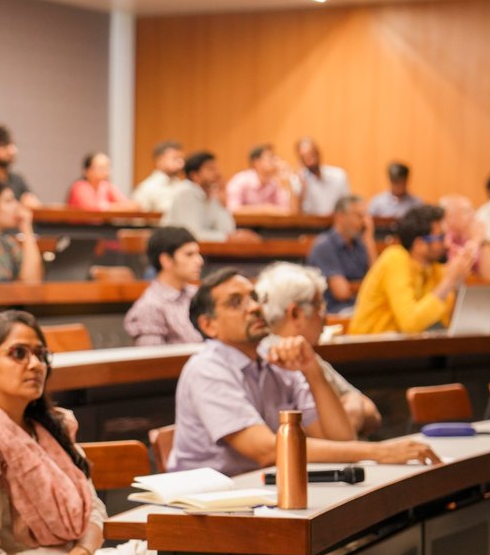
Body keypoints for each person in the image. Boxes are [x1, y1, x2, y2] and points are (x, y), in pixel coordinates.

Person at [0, 310, 155, 555]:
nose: (35, 364)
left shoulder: (52, 427)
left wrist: (82, 553)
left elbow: (93, 506)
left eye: (41, 354)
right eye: (19, 353)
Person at [168, 269, 439, 475]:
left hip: (259, 493)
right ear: (209, 325)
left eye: (253, 297)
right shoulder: (207, 369)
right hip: (202, 506)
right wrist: (379, 452)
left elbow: (339, 438)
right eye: (235, 303)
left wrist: (312, 370)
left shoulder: (276, 358)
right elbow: (267, 450)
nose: (253, 307)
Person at [255, 262, 381, 436]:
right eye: (319, 305)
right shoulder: (271, 358)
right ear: (295, 313)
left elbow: (371, 413)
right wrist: (344, 414)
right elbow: (329, 437)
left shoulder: (309, 355)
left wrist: (352, 406)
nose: (325, 316)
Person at [347, 205, 477, 334]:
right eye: (441, 237)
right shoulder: (395, 259)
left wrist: (456, 283)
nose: (447, 243)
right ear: (419, 244)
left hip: (404, 348)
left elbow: (445, 322)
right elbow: (410, 324)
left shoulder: (434, 267)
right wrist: (448, 282)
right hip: (368, 347)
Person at [123, 226, 204, 345]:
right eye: (189, 254)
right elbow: (153, 361)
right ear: (166, 260)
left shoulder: (199, 294)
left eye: (198, 253)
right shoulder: (149, 307)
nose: (199, 261)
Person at [162, 151, 259, 242]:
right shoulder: (186, 193)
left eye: (216, 168)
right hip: (175, 250)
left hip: (201, 250)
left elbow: (227, 229)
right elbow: (193, 235)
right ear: (194, 175)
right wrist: (229, 237)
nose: (217, 173)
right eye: (210, 169)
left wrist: (223, 203)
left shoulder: (211, 194)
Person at [305, 194, 378, 314]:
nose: (364, 222)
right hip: (334, 311)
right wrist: (368, 287)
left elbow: (377, 279)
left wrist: (369, 240)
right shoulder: (324, 246)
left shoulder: (360, 244)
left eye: (365, 216)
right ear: (340, 217)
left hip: (360, 306)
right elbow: (342, 293)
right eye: (359, 216)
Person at [439, 195, 490, 281]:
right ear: (449, 216)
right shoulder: (441, 239)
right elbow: (457, 274)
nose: (473, 215)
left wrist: (482, 241)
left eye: (473, 210)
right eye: (466, 211)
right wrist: (475, 240)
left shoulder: (473, 238)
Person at [225, 144, 292, 214]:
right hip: (242, 224)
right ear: (257, 162)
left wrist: (288, 179)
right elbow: (233, 208)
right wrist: (265, 209)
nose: (275, 160)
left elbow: (286, 210)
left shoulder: (274, 183)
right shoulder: (240, 181)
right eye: (270, 157)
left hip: (270, 224)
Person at [292, 137, 351, 215]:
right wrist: (302, 189)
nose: (309, 160)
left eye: (311, 154)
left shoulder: (338, 175)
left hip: (336, 222)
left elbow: (347, 204)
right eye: (304, 157)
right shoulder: (297, 180)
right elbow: (296, 212)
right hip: (310, 224)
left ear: (318, 153)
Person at [66, 152, 137, 212]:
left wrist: (108, 206)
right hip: (80, 228)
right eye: (101, 167)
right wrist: (112, 207)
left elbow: (129, 206)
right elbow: (93, 208)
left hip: (103, 227)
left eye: (107, 167)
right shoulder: (79, 187)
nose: (106, 171)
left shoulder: (106, 186)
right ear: (87, 171)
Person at [132, 139, 185, 212]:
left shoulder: (182, 186)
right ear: (160, 160)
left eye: (181, 158)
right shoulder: (148, 187)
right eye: (175, 158)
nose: (181, 162)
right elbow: (138, 219)